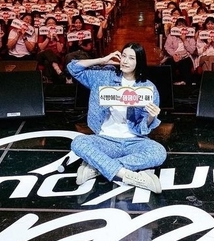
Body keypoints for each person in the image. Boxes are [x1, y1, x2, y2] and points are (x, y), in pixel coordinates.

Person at [67, 43, 166, 193]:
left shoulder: (148, 88)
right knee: (78, 142)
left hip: (134, 141)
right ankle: (128, 175)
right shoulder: (104, 77)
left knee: (159, 152)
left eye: (131, 58)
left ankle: (96, 168)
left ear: (139, 62)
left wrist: (151, 116)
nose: (125, 61)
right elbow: (73, 68)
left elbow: (143, 128)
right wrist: (101, 60)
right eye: (123, 56)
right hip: (106, 140)